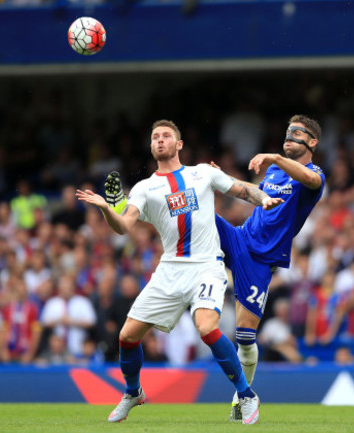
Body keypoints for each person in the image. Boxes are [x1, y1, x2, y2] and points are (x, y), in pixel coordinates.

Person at [76, 119, 282, 424]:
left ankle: (247, 394)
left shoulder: (202, 173)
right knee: (127, 337)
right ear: (151, 146)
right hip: (170, 269)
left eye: (166, 136)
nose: (160, 140)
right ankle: (134, 392)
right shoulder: (145, 188)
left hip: (206, 266)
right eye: (155, 137)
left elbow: (242, 190)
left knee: (206, 327)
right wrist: (107, 209)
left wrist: (264, 198)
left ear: (179, 144)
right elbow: (123, 226)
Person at [212, 114, 325, 421]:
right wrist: (223, 179)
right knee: (194, 212)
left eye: (296, 133)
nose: (289, 136)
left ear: (312, 142)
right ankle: (128, 207)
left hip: (262, 259)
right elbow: (253, 192)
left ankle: (243, 395)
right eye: (287, 132)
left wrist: (275, 155)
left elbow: (310, 180)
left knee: (245, 338)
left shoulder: (314, 176)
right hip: (241, 238)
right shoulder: (275, 170)